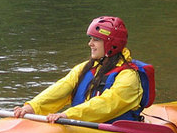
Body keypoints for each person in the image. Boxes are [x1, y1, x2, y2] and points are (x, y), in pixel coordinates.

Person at [14, 16, 150, 124]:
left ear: (111, 43)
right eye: (91, 39)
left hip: (111, 129)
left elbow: (107, 104)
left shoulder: (129, 76)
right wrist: (32, 107)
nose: (90, 44)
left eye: (96, 40)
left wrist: (68, 115)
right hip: (82, 123)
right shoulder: (86, 68)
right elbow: (61, 88)